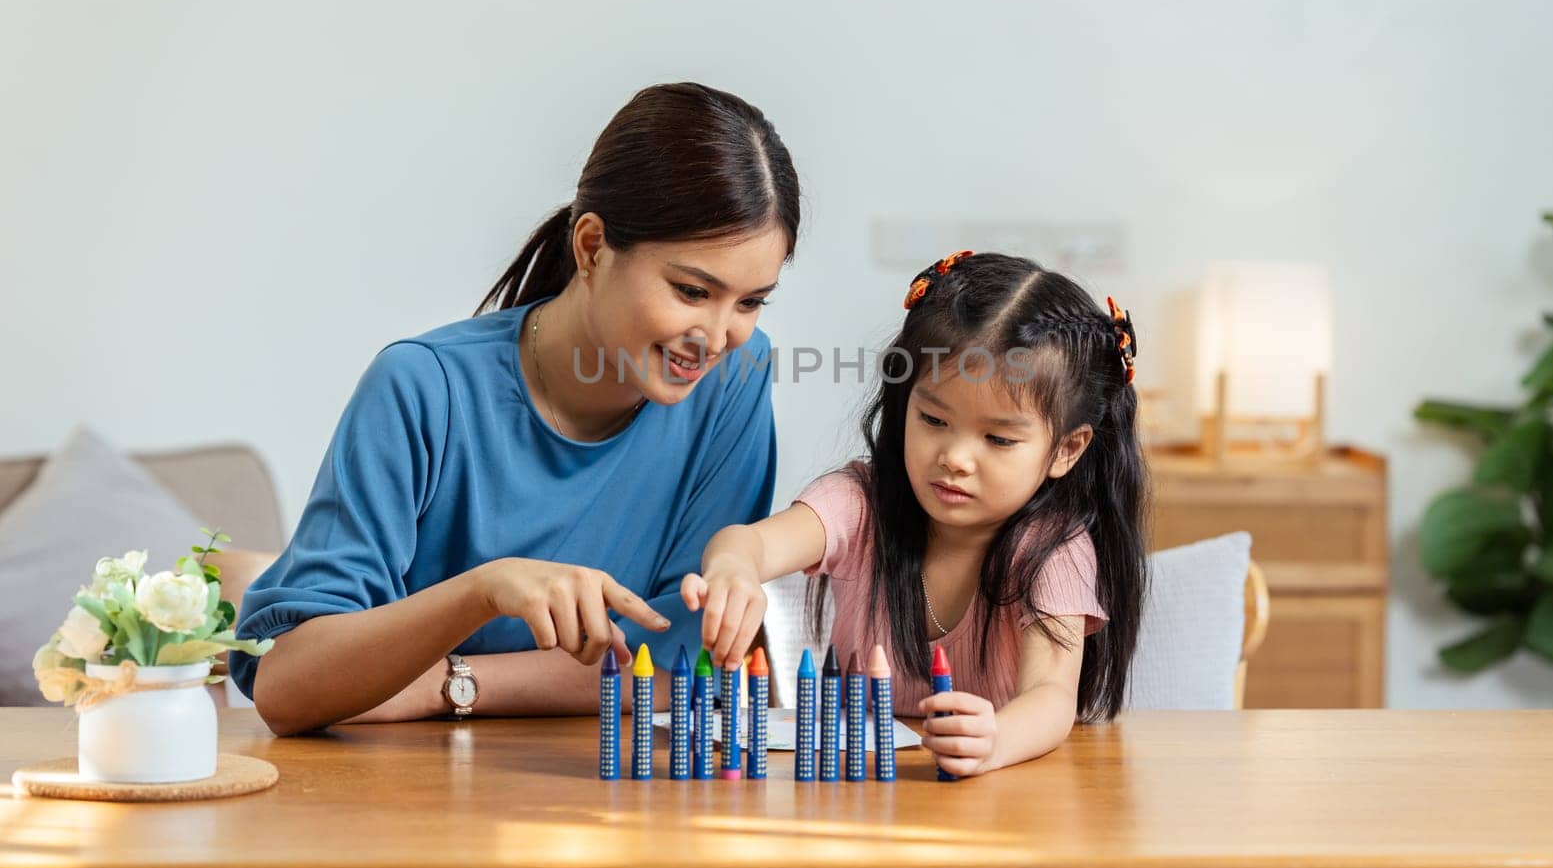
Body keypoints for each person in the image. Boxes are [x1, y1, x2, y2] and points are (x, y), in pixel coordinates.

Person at [232, 82, 801, 736]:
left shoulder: (735, 380)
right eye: (692, 289)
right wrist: (485, 588)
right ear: (591, 248)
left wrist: (451, 682)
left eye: (752, 302)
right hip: (392, 803)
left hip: (603, 796)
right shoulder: (423, 389)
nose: (718, 333)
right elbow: (288, 684)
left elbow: (683, 659)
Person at [683, 250, 1147, 776]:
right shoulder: (861, 502)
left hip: (996, 811)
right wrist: (734, 568)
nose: (955, 457)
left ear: (1067, 449)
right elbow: (754, 542)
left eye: (998, 438)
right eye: (932, 418)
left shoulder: (1053, 550)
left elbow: (1051, 696)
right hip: (858, 793)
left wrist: (995, 739)